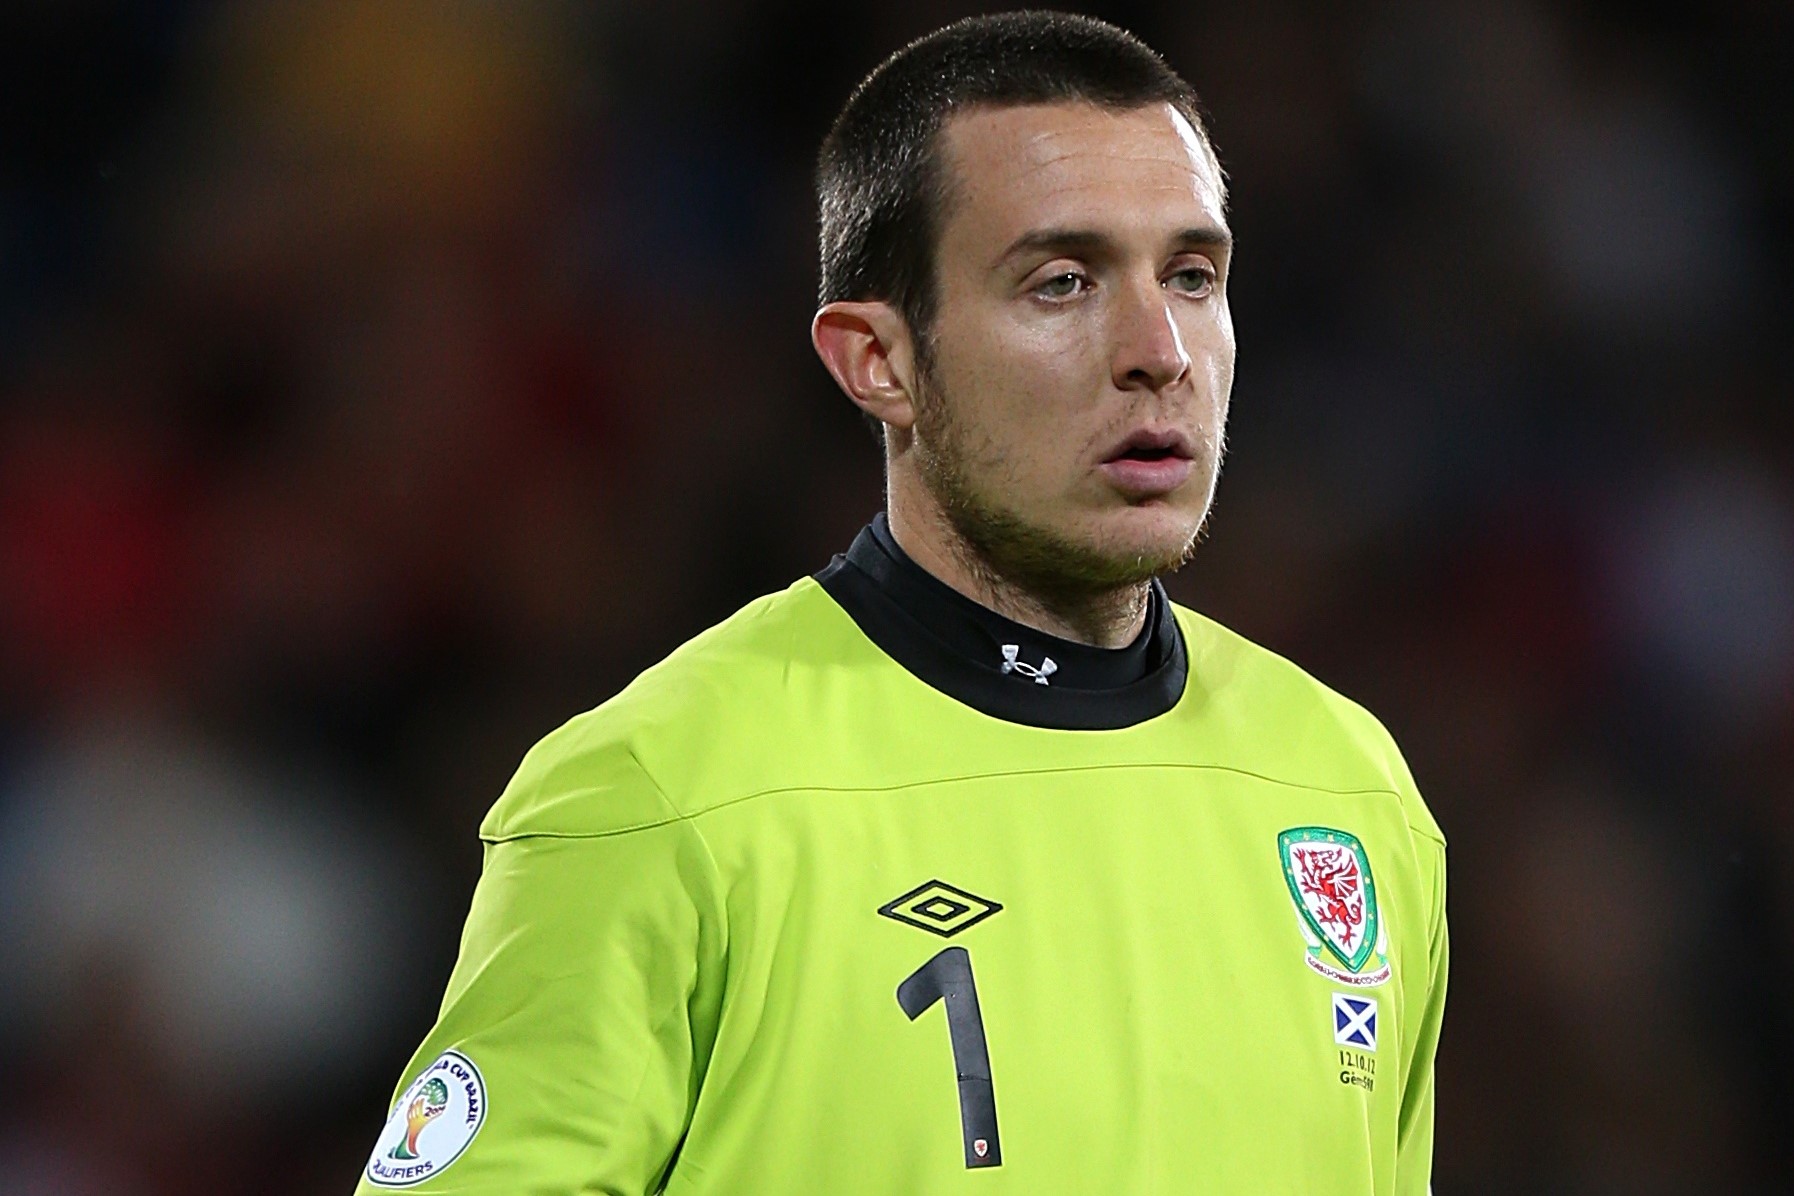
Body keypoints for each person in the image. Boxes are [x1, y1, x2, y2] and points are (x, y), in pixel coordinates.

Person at [355, 12, 1446, 1194]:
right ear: (879, 361)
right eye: (1061, 282)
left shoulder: (1348, 790)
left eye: (1190, 275)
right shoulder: (663, 793)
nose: (1159, 350)